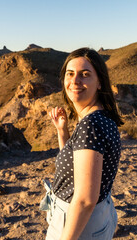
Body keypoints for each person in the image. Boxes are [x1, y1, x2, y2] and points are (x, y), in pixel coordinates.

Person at [40, 47, 123, 240]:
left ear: (100, 82)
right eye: (70, 74)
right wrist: (63, 131)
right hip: (97, 217)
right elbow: (78, 167)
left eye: (85, 75)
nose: (75, 81)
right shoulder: (101, 117)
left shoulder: (91, 125)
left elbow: (85, 200)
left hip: (77, 223)